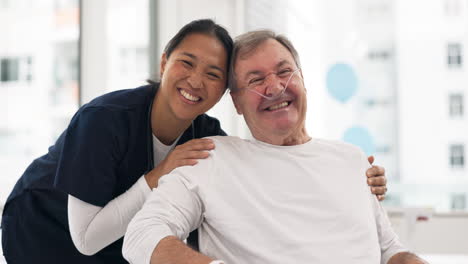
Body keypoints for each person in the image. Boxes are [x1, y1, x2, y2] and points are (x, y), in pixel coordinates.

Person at [1, 20, 386, 263]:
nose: (197, 81)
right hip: (42, 230)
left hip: (114, 246)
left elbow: (251, 177)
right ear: (165, 62)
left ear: (225, 92)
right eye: (187, 63)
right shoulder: (105, 119)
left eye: (214, 73)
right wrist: (158, 176)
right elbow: (85, 239)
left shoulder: (208, 137)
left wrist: (352, 179)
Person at [122, 30, 428, 264]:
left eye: (284, 72)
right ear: (237, 102)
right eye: (256, 80)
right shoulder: (210, 158)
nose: (275, 87)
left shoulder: (352, 159)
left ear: (303, 80)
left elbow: (390, 250)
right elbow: (141, 235)